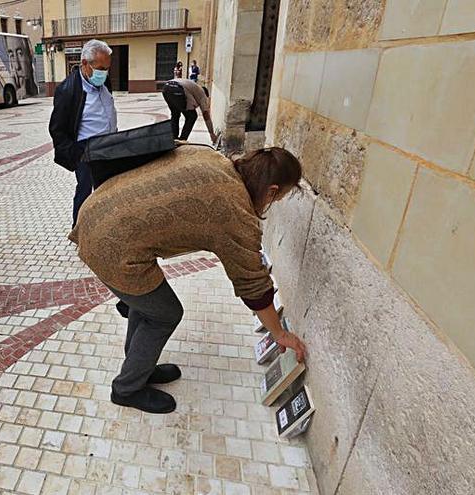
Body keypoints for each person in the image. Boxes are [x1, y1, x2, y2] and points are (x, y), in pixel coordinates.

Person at [69, 146, 308, 414]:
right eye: (277, 198)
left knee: (148, 304)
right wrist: (279, 333)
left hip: (97, 211)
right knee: (165, 314)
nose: (271, 204)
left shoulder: (213, 157)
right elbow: (253, 284)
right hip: (109, 245)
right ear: (272, 190)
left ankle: (139, 365)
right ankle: (127, 388)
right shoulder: (234, 210)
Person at [49, 39, 117, 227]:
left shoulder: (104, 81)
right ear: (85, 64)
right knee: (85, 191)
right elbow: (57, 128)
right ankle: (78, 230)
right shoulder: (68, 90)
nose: (104, 72)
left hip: (109, 148)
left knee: (107, 189)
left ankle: (103, 227)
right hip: (85, 152)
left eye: (107, 68)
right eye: (101, 68)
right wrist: (75, 154)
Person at [162, 78, 218, 143]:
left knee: (175, 114)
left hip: (166, 88)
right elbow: (205, 114)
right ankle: (182, 140)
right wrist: (211, 133)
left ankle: (173, 139)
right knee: (192, 116)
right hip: (178, 89)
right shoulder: (202, 94)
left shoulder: (193, 88)